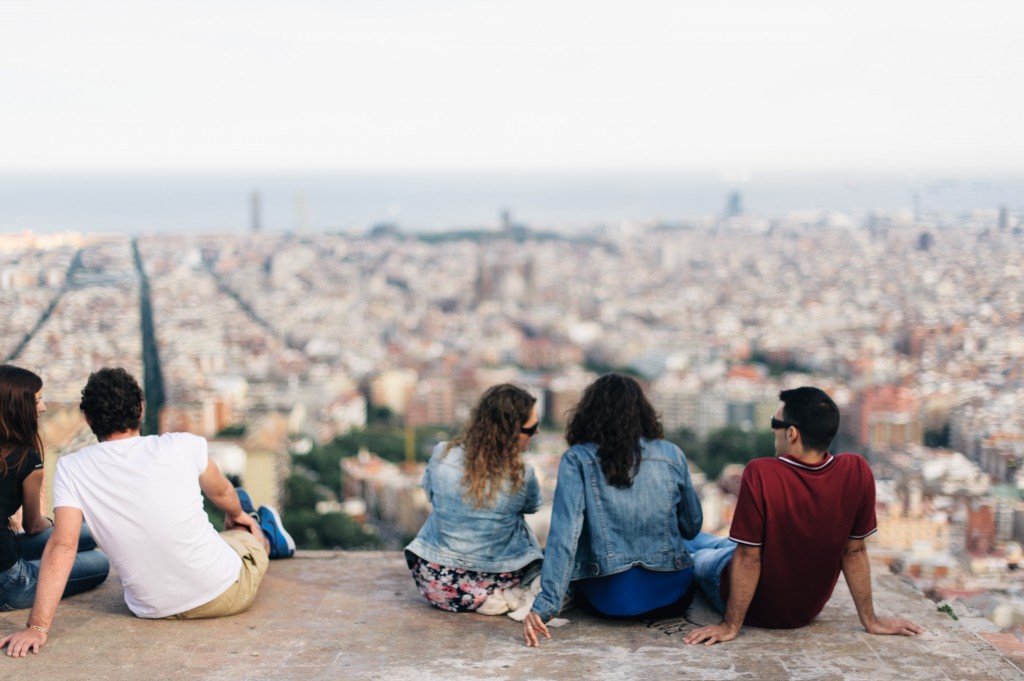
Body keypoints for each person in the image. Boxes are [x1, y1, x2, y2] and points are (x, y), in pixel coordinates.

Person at [2, 367, 295, 657]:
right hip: (223, 593)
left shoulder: (71, 467)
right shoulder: (183, 444)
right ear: (141, 409)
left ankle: (246, 523)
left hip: (150, 608)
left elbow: (64, 545)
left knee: (226, 525)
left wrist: (37, 627)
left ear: (89, 419)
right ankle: (266, 533)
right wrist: (238, 515)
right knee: (242, 529)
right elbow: (221, 493)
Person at [684, 387, 924, 645]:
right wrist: (871, 621)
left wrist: (731, 626)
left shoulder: (761, 473)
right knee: (718, 542)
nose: (773, 429)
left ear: (791, 433)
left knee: (693, 555)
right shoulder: (857, 470)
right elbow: (854, 552)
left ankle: (681, 544)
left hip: (754, 606)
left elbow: (748, 557)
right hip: (805, 611)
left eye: (775, 423)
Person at [523, 374, 703, 647]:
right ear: (643, 412)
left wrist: (545, 605)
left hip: (608, 601)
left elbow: (564, 538)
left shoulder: (577, 459)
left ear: (589, 414)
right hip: (673, 597)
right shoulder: (672, 454)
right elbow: (692, 527)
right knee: (707, 544)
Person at [404, 384, 544, 613]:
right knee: (521, 528)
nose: (537, 432)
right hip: (497, 581)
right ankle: (500, 597)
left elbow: (430, 494)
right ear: (511, 432)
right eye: (531, 428)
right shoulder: (522, 474)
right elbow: (533, 506)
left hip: (436, 584)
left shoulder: (442, 454)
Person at [1, 365, 109, 611]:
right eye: (37, 401)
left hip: (7, 552)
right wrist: (51, 523)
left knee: (85, 535)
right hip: (9, 583)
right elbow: (33, 525)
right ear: (15, 407)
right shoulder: (24, 458)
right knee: (99, 562)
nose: (43, 408)